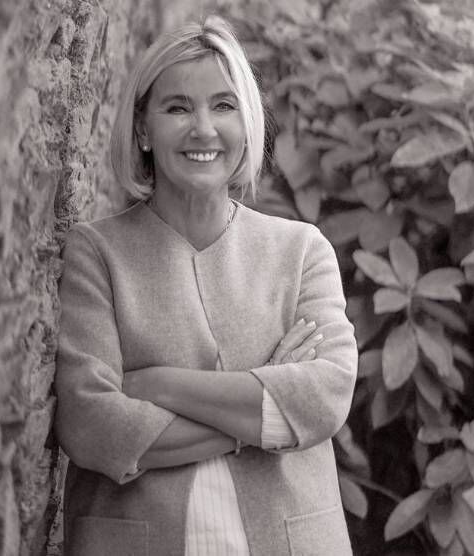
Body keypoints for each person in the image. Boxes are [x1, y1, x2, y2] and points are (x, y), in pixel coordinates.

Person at [55, 15, 357, 556]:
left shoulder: (302, 250)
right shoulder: (96, 254)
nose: (203, 129)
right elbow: (91, 424)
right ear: (143, 129)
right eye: (178, 108)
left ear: (248, 122)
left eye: (224, 105)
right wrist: (267, 412)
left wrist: (156, 385)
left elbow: (323, 397)